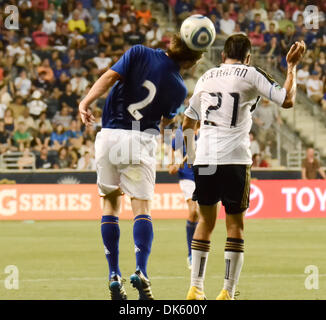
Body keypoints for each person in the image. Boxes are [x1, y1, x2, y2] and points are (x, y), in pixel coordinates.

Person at [182, 34, 306, 300]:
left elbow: (187, 122)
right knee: (235, 226)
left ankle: (196, 288)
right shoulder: (250, 73)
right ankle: (227, 291)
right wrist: (292, 67)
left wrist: (190, 155)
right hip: (235, 159)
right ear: (248, 57)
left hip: (204, 158)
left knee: (204, 221)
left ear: (222, 55)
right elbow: (287, 100)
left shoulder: (206, 77)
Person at [79, 36, 203, 300]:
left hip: (110, 136)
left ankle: (113, 274)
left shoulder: (137, 52)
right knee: (141, 210)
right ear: (191, 62)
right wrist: (176, 149)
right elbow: (167, 123)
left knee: (110, 206)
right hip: (141, 140)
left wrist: (86, 101)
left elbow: (109, 77)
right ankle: (141, 271)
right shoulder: (179, 88)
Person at [168, 123, 199, 270]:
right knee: (194, 212)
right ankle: (191, 254)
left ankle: (199, 250)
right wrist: (173, 164)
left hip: (206, 174)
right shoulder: (182, 131)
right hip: (188, 175)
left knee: (203, 215)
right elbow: (173, 151)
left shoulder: (209, 126)